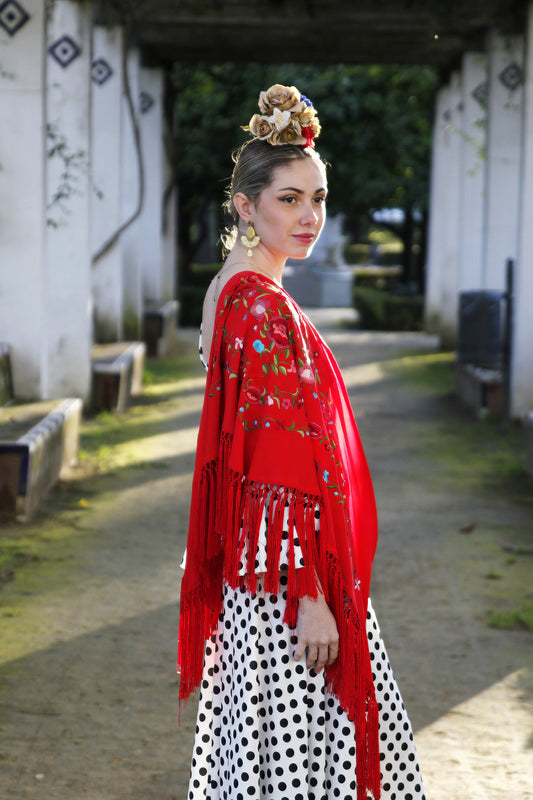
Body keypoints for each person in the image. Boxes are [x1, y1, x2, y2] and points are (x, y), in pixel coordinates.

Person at [178, 84, 426, 800]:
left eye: (317, 198)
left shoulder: (230, 288)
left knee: (264, 762)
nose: (309, 216)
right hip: (289, 585)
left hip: (258, 576)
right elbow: (273, 468)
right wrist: (311, 597)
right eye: (288, 199)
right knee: (309, 764)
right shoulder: (262, 308)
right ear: (244, 205)